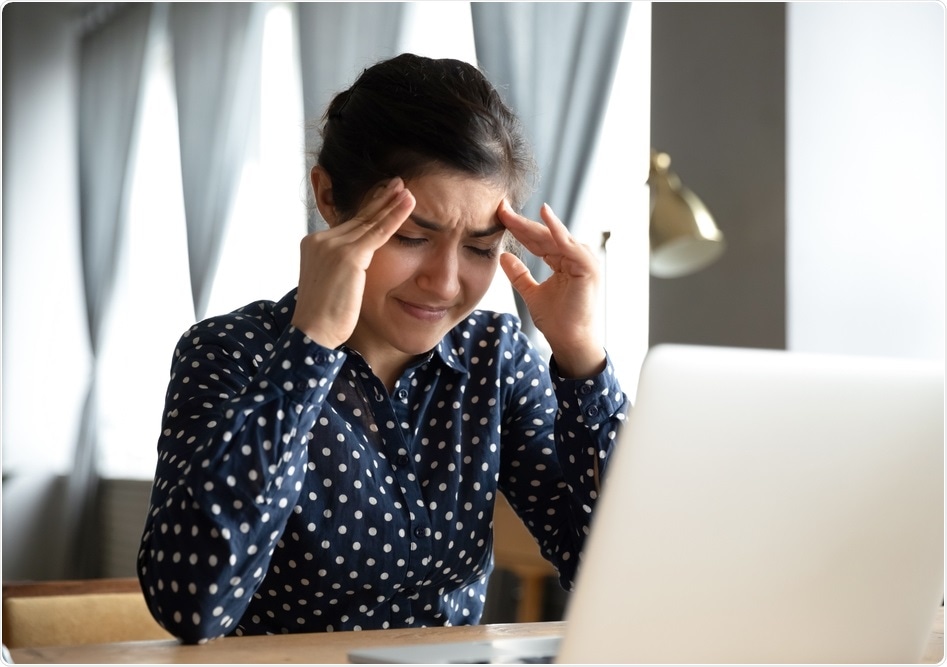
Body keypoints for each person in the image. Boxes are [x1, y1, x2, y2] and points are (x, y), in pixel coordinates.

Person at [137, 53, 629, 644]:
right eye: (411, 236)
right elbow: (192, 606)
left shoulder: (493, 359)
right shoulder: (229, 353)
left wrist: (580, 356)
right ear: (328, 197)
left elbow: (614, 572)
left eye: (479, 249)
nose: (445, 283)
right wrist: (309, 349)